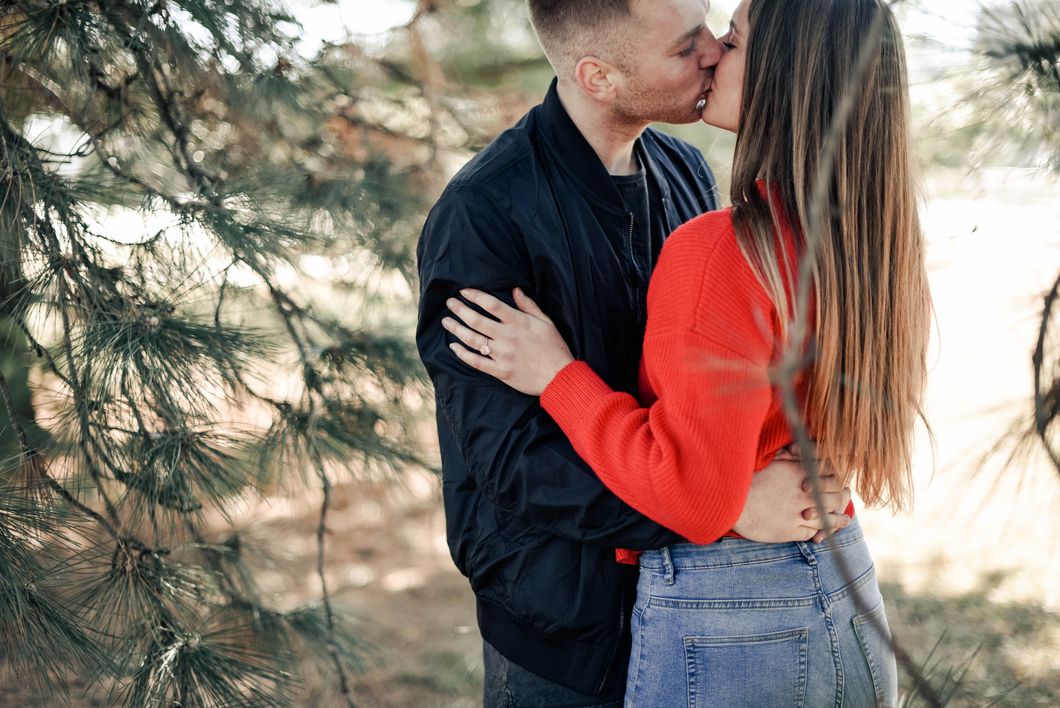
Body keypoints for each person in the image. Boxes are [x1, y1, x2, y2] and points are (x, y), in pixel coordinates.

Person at [441, 0, 928, 705]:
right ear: (598, 75)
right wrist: (730, 507)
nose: (710, 50)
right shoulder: (484, 210)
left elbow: (723, 446)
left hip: (735, 613)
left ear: (787, 78)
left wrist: (565, 381)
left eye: (724, 35)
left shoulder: (697, 194)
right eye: (688, 44)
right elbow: (507, 459)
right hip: (580, 631)